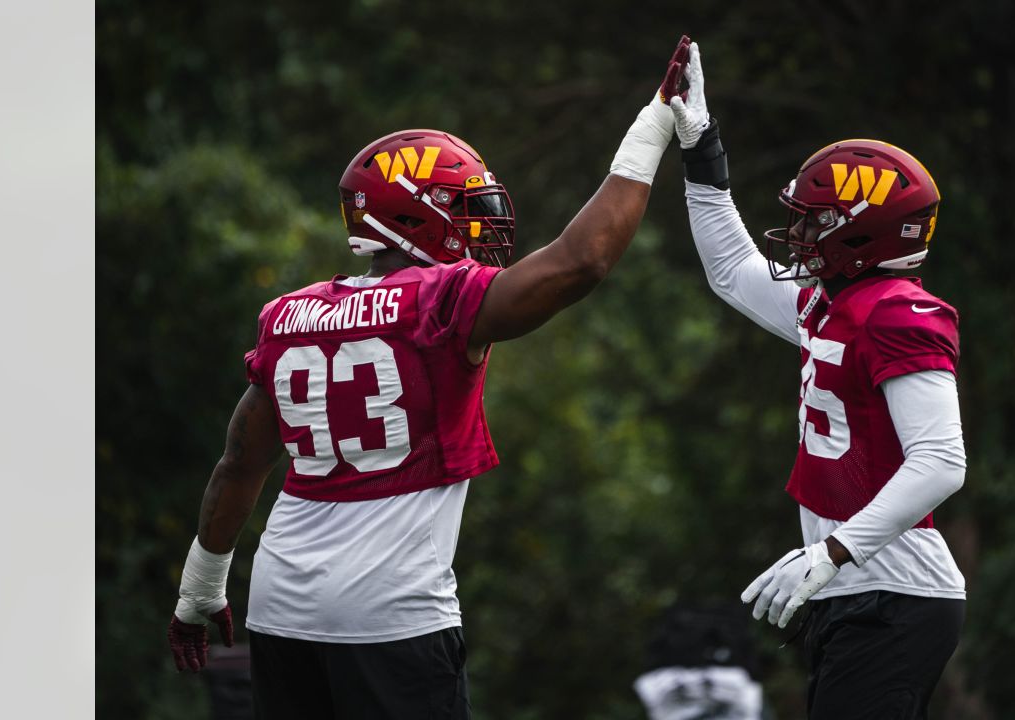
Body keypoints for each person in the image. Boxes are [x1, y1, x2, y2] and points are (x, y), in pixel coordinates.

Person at [165, 36, 696, 720]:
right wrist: (654, 123)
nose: (485, 226)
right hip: (390, 616)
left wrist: (199, 588)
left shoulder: (287, 314)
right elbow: (581, 262)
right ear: (413, 214)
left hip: (281, 609)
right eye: (467, 206)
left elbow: (239, 462)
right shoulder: (437, 301)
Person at [667, 44, 967, 718]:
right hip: (859, 592)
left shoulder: (898, 312)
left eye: (814, 220)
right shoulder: (830, 305)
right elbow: (730, 272)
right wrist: (701, 149)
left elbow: (943, 461)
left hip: (896, 595)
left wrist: (834, 550)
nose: (798, 231)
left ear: (862, 234)